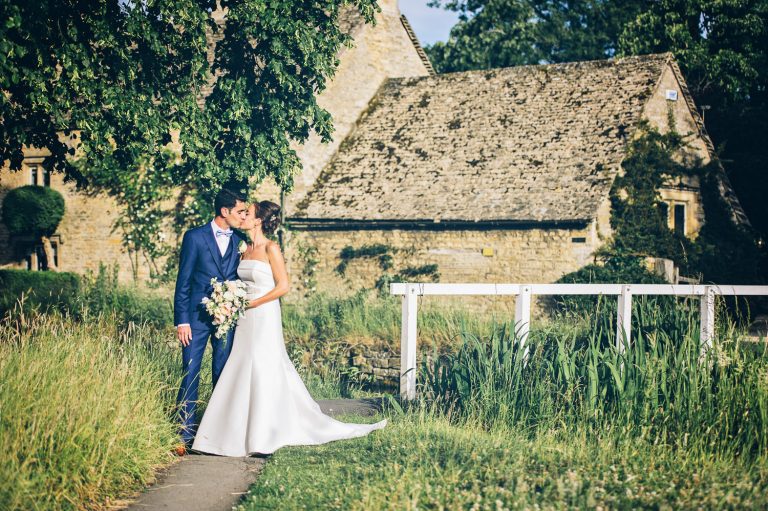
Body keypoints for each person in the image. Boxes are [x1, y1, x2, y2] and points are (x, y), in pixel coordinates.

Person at [191, 200, 387, 456]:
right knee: (240, 363)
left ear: (259, 220)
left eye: (247, 214)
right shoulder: (244, 248)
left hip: (263, 314)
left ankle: (265, 433)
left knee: (263, 364)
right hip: (244, 316)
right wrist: (232, 299)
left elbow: (283, 286)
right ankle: (227, 434)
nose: (243, 218)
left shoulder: (272, 248)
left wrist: (252, 303)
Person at [173, 186, 249, 451]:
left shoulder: (241, 239)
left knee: (222, 374)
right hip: (194, 319)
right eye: (240, 211)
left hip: (226, 320)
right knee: (190, 372)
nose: (244, 215)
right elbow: (183, 281)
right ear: (224, 211)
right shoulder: (194, 237)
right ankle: (183, 435)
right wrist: (181, 320)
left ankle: (217, 435)